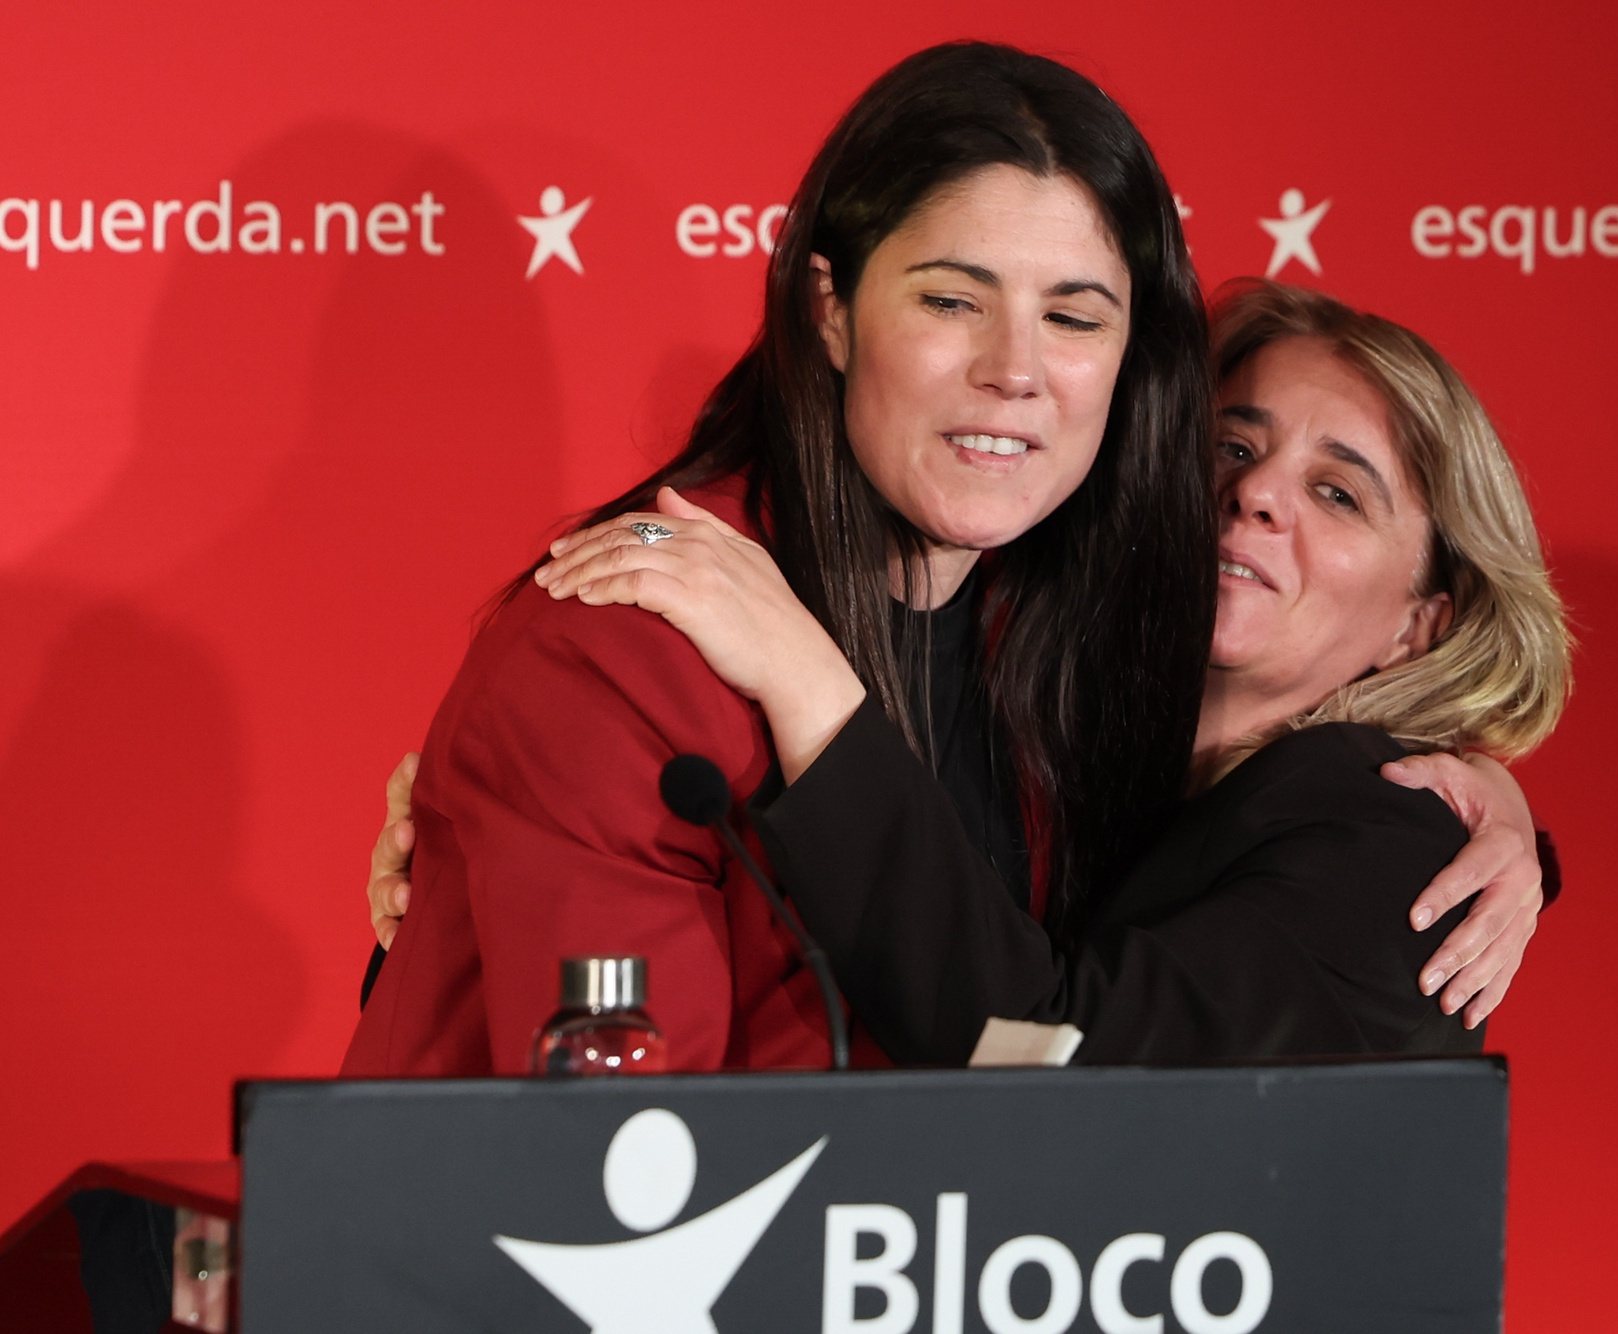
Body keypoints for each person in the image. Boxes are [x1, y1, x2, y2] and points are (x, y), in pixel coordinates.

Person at [347, 44, 1547, 1079]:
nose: (1013, 369)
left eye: (1073, 317)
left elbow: (1066, 1038)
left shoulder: (1042, 664)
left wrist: (1506, 825)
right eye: (951, 300)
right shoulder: (637, 635)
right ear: (829, 309)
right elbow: (636, 1182)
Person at [521, 279, 1570, 1063]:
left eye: (1339, 493)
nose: (1252, 497)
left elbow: (1050, 1057)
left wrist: (806, 676)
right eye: (1227, 446)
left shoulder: (1400, 848)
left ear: (1420, 626)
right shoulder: (1067, 732)